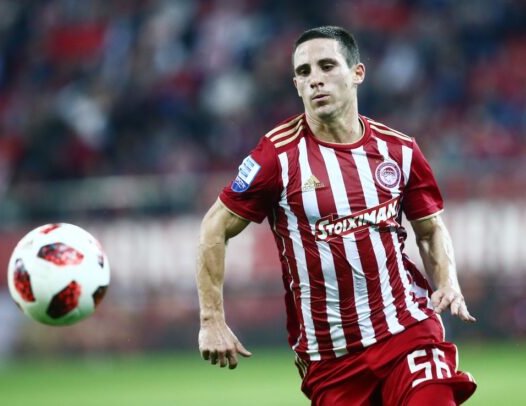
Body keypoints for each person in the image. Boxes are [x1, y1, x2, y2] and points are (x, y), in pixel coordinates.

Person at [196, 26, 477, 405]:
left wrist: (447, 281)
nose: (315, 79)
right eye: (304, 72)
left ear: (357, 73)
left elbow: (429, 229)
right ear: (296, 85)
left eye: (327, 66)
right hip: (331, 358)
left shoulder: (400, 150)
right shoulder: (276, 156)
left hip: (407, 330)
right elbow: (214, 226)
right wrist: (211, 320)